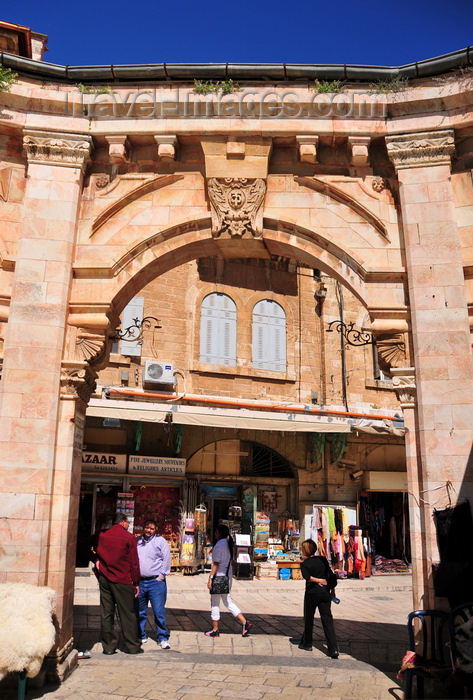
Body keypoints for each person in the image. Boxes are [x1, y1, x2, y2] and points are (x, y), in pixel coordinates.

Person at [95, 513, 143, 655]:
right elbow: (134, 562)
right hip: (122, 579)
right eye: (128, 523)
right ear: (122, 522)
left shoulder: (101, 535)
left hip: (105, 577)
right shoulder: (128, 537)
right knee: (127, 613)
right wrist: (136, 582)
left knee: (106, 612)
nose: (128, 525)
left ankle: (108, 647)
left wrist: (95, 559)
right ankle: (132, 646)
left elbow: (84, 545)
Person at [205, 523, 253, 638]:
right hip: (227, 577)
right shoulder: (228, 544)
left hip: (219, 577)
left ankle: (215, 629)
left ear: (219, 533)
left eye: (216, 532)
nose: (215, 534)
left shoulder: (219, 546)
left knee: (215, 603)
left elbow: (216, 563)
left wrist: (210, 578)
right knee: (227, 601)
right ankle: (244, 622)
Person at [299, 538, 339, 659]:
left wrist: (317, 580)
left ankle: (307, 643)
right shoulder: (322, 559)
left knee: (309, 618)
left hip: (312, 593)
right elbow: (329, 575)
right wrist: (332, 589)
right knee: (327, 620)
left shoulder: (305, 563)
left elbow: (306, 577)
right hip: (325, 593)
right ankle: (333, 648)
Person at [136, 519, 172, 649]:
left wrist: (162, 576)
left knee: (158, 611)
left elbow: (166, 558)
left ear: (155, 529)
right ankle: (141, 634)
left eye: (151, 528)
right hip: (140, 581)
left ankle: (162, 637)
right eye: (146, 527)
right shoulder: (137, 541)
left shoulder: (160, 541)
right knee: (140, 611)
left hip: (155, 582)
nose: (148, 530)